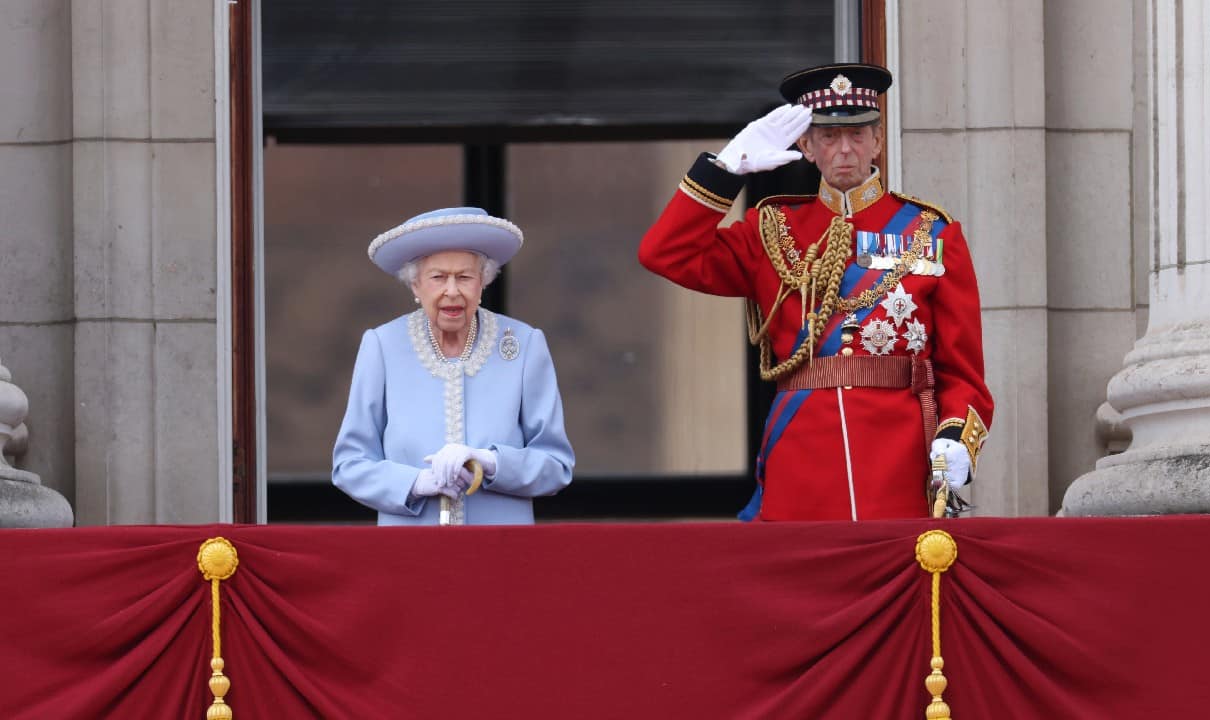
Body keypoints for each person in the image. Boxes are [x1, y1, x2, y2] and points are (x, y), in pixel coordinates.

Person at [638, 63, 993, 521]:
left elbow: (963, 369)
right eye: (828, 137)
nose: (845, 149)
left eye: (858, 135)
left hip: (899, 461)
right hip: (802, 457)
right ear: (806, 146)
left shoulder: (931, 233)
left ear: (878, 142)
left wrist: (955, 434)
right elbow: (663, 253)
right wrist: (724, 171)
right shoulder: (771, 230)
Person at [333, 207, 574, 525]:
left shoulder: (525, 344)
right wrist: (416, 484)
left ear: (482, 282)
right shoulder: (382, 346)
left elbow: (556, 465)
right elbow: (349, 464)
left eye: (464, 277)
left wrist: (489, 462)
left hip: (500, 549)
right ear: (415, 286)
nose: (452, 290)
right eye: (437, 277)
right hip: (408, 552)